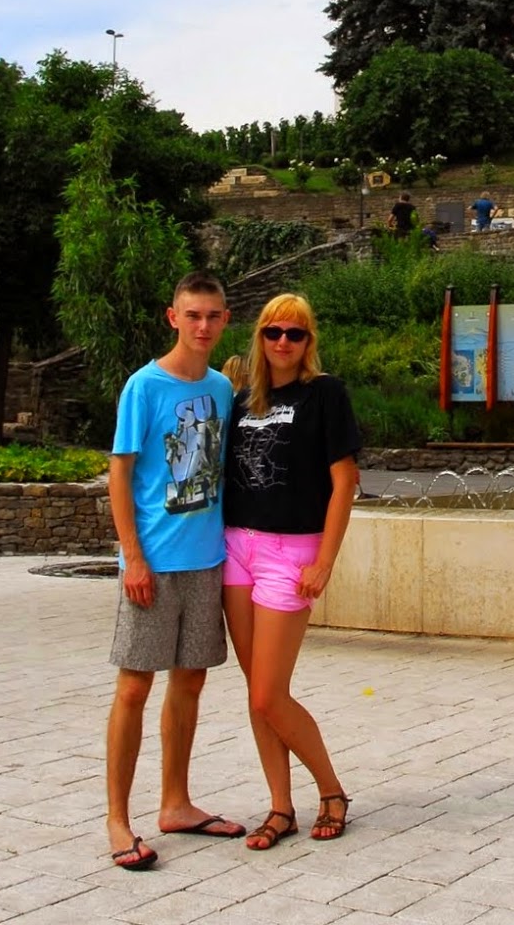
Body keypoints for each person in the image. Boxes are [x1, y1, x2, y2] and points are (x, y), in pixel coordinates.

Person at [105, 272, 244, 873]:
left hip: (206, 561)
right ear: (173, 318)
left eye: (213, 316)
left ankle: (176, 803)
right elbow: (119, 472)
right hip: (155, 564)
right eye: (193, 315)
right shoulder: (144, 386)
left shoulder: (221, 388)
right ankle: (117, 819)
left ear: (225, 319)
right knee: (134, 687)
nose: (203, 326)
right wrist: (132, 557)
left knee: (190, 683)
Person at [223, 292, 361, 850]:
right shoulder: (241, 400)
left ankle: (331, 790)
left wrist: (324, 561)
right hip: (237, 547)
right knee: (257, 690)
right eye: (273, 332)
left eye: (295, 333)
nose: (283, 342)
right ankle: (280, 807)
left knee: (267, 695)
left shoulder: (325, 394)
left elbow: (344, 483)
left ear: (309, 341)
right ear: (259, 337)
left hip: (291, 553)